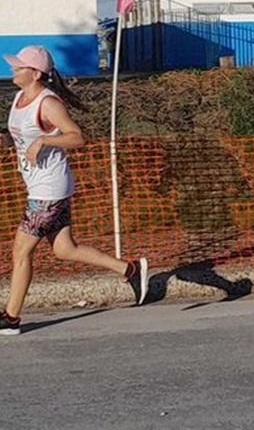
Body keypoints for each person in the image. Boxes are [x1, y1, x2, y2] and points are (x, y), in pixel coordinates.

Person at [0, 46, 149, 336]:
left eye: (19, 67)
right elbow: (19, 137)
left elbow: (77, 136)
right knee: (65, 249)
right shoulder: (19, 98)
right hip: (38, 185)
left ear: (35, 73)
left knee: (21, 250)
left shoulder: (49, 103)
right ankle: (130, 269)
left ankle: (11, 317)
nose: (13, 70)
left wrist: (44, 142)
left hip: (49, 189)